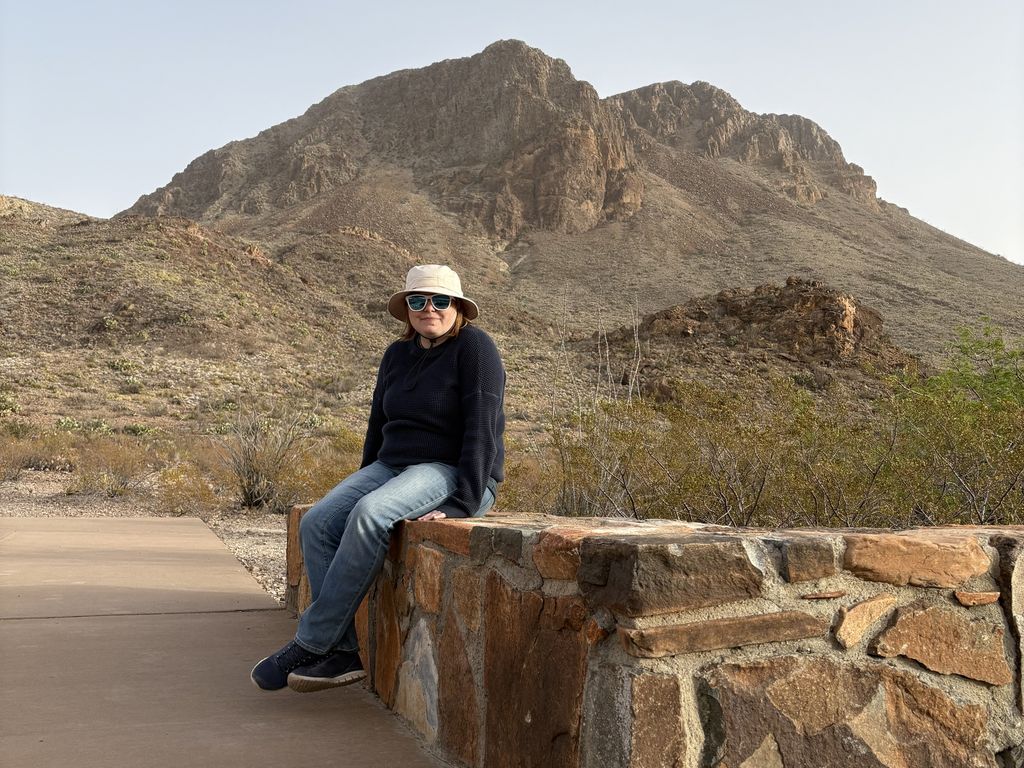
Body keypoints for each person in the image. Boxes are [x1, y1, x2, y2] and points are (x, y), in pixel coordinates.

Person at [251, 264, 506, 693]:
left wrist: (465, 499)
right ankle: (343, 653)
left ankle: (310, 642)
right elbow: (378, 424)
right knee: (318, 523)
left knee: (371, 515)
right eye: (418, 300)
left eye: (441, 300)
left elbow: (482, 425)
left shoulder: (475, 348)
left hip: (451, 472)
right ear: (406, 308)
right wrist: (364, 476)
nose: (429, 309)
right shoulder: (396, 355)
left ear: (458, 307)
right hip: (391, 467)